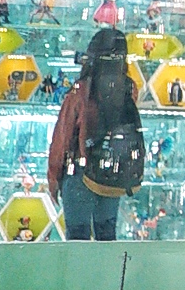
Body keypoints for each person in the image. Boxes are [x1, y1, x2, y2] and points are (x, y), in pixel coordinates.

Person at [45, 27, 147, 241]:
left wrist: (53, 178)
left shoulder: (80, 90)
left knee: (78, 240)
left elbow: (62, 138)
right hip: (113, 174)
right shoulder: (129, 88)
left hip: (79, 174)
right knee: (106, 237)